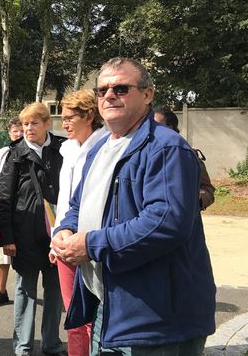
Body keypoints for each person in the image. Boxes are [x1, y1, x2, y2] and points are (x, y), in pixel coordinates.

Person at [52, 58, 216, 355]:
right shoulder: (99, 148)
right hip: (109, 305)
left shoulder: (166, 148)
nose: (109, 95)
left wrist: (91, 244)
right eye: (102, 90)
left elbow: (165, 221)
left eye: (121, 88)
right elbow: (79, 204)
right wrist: (65, 228)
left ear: (148, 94)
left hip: (157, 320)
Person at [0, 102, 65, 356]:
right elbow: (4, 198)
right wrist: (7, 237)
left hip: (57, 234)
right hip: (24, 235)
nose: (28, 128)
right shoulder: (15, 154)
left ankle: (51, 343)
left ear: (47, 124)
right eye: (25, 124)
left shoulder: (62, 149)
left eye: (34, 123)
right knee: (25, 291)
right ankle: (23, 347)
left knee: (55, 292)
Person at [48, 90, 108, 356]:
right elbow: (65, 201)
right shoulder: (68, 149)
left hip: (93, 244)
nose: (65, 124)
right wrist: (57, 236)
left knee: (96, 318)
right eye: (63, 118)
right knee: (73, 315)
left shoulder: (107, 146)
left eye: (71, 118)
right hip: (65, 241)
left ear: (90, 116)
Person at [0, 116, 23, 307]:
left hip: (26, 210)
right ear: (10, 133)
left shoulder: (33, 151)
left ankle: (27, 291)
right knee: (3, 253)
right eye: (15, 131)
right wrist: (6, 172)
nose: (19, 134)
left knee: (27, 252)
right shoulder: (3, 153)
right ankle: (1, 290)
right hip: (5, 208)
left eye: (21, 130)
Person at [153, 106, 215, 210]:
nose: (152, 129)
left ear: (170, 128)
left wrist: (195, 200)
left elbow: (207, 189)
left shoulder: (188, 155)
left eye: (157, 125)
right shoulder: (138, 154)